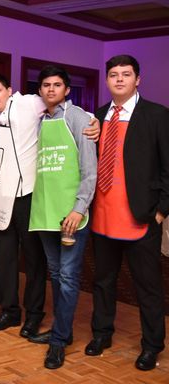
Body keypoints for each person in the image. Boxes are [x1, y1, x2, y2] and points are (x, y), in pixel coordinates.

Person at [86, 55, 169, 372]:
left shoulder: (156, 115)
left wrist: (161, 211)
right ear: (107, 80)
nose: (119, 79)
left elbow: (168, 169)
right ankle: (101, 333)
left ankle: (151, 345)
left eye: (126, 74)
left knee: (147, 287)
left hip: (140, 217)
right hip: (103, 216)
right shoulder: (98, 116)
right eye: (113, 75)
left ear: (138, 79)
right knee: (103, 281)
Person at [26, 66, 97, 369]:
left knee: (67, 278)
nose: (51, 89)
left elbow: (89, 170)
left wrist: (78, 208)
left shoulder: (78, 117)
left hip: (70, 215)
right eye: (46, 85)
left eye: (57, 85)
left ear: (67, 89)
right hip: (44, 212)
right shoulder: (41, 121)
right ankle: (62, 332)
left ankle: (57, 342)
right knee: (55, 274)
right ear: (40, 90)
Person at [0, 73, 49, 338]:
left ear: (10, 90)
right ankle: (10, 311)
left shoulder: (29, 103)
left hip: (29, 195)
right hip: (1, 196)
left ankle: (34, 316)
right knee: (5, 261)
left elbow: (61, 104)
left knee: (34, 262)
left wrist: (91, 122)